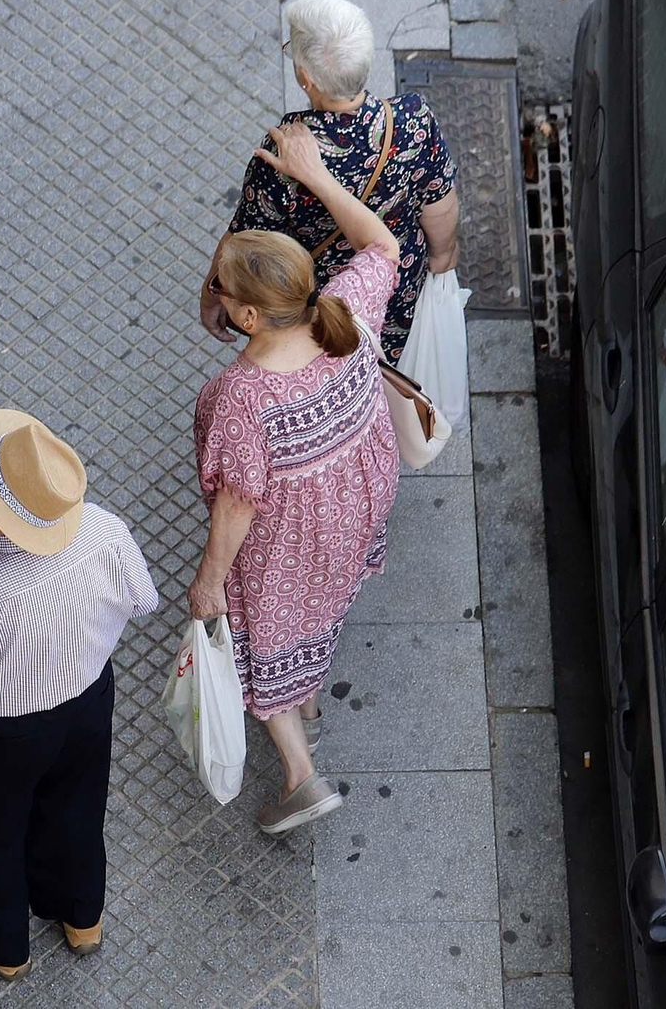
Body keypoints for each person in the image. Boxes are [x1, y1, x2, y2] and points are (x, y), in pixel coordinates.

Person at [191, 120, 402, 835]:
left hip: (291, 541)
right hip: (359, 508)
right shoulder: (345, 310)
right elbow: (383, 245)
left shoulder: (243, 397)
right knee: (321, 606)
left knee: (265, 635)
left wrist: (210, 580)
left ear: (248, 315)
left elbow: (237, 505)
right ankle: (307, 688)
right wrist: (316, 176)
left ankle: (300, 773)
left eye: (223, 289)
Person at [0, 411, 159, 980]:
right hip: (87, 704)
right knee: (75, 810)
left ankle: (3, 945)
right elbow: (142, 600)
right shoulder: (104, 531)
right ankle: (80, 917)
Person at [200, 0, 459, 362]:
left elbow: (244, 242)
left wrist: (213, 293)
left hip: (324, 313)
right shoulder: (412, 119)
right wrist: (442, 259)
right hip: (399, 292)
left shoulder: (283, 155)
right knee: (398, 383)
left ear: (306, 78)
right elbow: (440, 209)